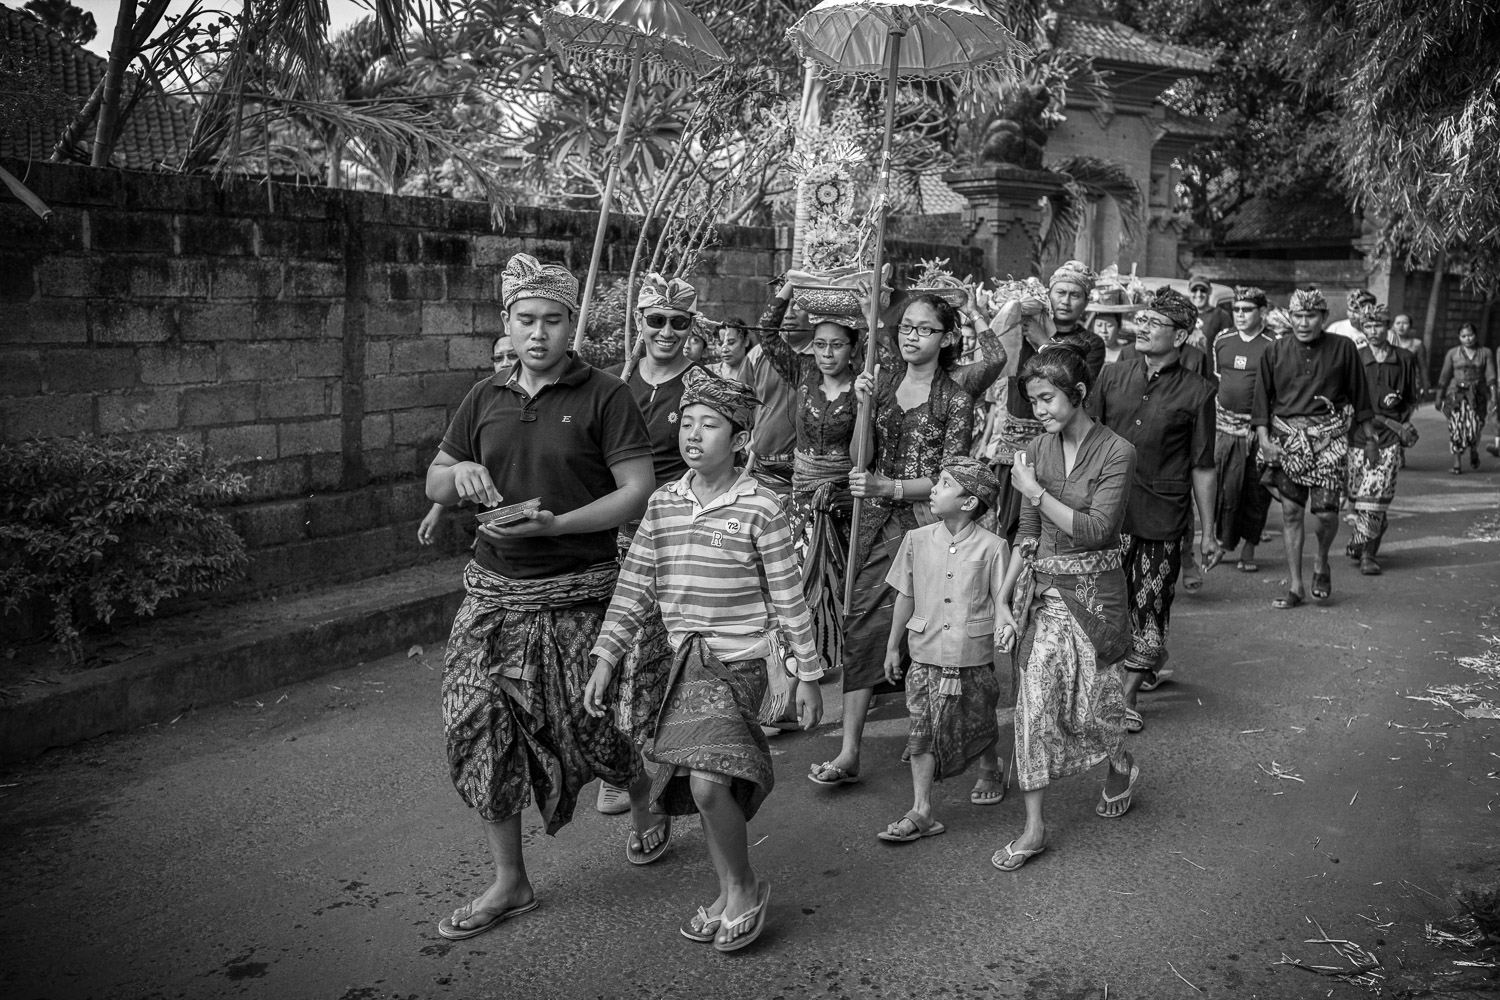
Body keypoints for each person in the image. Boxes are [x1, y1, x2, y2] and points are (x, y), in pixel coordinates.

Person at [428, 254, 659, 941]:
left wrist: (560, 523)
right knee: (478, 730)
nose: (538, 333)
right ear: (507, 323)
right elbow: (437, 482)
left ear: (571, 326)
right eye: (525, 320)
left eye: (552, 320)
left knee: (592, 731)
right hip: (493, 594)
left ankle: (643, 798)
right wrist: (460, 470)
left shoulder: (605, 395)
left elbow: (637, 490)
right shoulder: (484, 397)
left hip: (579, 596)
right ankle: (511, 880)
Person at [585, 368, 824, 953]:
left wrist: (808, 673)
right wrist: (605, 657)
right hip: (679, 664)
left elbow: (789, 596)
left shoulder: (762, 507)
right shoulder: (664, 503)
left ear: (739, 436)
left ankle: (743, 885)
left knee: (712, 785)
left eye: (709, 424)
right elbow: (635, 585)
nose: (693, 435)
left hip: (736, 663)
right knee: (699, 787)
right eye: (686, 423)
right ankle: (727, 890)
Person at [808, 294, 985, 797]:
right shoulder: (881, 382)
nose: (910, 336)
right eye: (905, 326)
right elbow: (860, 457)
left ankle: (942, 737)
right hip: (874, 523)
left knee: (931, 631)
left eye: (924, 329)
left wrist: (893, 488)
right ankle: (849, 749)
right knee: (862, 621)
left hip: (930, 522)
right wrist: (863, 406)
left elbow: (955, 477)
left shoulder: (956, 399)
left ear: (947, 338)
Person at [993, 346, 1139, 872]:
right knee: (1032, 703)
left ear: (1078, 394)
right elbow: (1028, 536)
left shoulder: (1117, 451)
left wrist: (1032, 490)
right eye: (1033, 400)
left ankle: (1119, 761)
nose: (1040, 410)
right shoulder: (1035, 448)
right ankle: (1033, 827)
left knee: (1094, 704)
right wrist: (1004, 599)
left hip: (1096, 598)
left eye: (1048, 398)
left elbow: (1099, 529)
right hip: (1043, 595)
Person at [596, 272, 705, 815]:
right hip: (619, 536)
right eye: (656, 320)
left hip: (682, 535)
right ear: (639, 322)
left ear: (691, 326)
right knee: (622, 649)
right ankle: (628, 760)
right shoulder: (614, 384)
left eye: (678, 322)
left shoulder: (701, 385)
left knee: (677, 648)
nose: (666, 331)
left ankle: (678, 754)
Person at [1093, 287, 1217, 730]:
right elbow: (1085, 440)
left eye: (1153, 323)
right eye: (1141, 319)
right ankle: (1103, 685)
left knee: (1149, 604)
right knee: (1104, 602)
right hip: (1106, 511)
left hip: (1162, 514)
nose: (1141, 327)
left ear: (1180, 336)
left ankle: (1127, 696)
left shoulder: (1200, 391)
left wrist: (1208, 531)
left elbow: (1202, 464)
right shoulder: (1112, 377)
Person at [878, 457, 1012, 842]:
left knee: (979, 720)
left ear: (969, 502)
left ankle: (989, 764)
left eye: (944, 483)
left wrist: (1007, 629)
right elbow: (905, 595)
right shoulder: (915, 541)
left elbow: (1001, 602)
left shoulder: (993, 547)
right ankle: (922, 809)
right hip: (924, 655)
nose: (934, 489)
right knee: (920, 730)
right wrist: (892, 647)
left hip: (972, 657)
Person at [756, 275, 861, 687]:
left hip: (844, 500)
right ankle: (797, 672)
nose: (827, 353)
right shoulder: (801, 371)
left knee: (842, 585)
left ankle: (848, 666)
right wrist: (790, 287)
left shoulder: (867, 386)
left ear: (853, 348)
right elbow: (767, 332)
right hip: (801, 496)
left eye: (837, 345)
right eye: (820, 344)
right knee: (796, 584)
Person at [1252, 287, 1377, 608]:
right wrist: (1264, 440)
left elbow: (1360, 395)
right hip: (1286, 441)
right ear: (1289, 317)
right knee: (1291, 513)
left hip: (1329, 441)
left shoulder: (1344, 348)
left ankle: (1321, 560)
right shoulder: (1275, 351)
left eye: (1310, 316)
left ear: (1323, 317)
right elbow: (1261, 401)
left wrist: (1370, 438)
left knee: (1325, 515)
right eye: (1297, 315)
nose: (1303, 322)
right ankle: (1295, 586)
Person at [418, 335, 519, 545]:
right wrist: (436, 510)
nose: (505, 363)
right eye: (498, 358)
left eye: (512, 356)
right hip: (495, 527)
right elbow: (459, 464)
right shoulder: (482, 400)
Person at [1344, 305, 1421, 575]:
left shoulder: (1405, 358)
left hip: (1388, 437)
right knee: (1359, 496)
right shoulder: (1355, 356)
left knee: (1375, 496)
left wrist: (1398, 423)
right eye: (1368, 325)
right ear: (1362, 328)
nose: (1373, 330)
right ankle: (1368, 535)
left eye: (1378, 325)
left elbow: (1411, 398)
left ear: (1387, 326)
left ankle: (1367, 555)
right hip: (1356, 436)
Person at [1212, 286, 1276, 573]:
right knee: (1223, 490)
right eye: (1236, 309)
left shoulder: (1274, 343)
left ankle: (1249, 549)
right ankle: (1221, 542)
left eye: (1247, 309)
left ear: (1262, 312)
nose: (1239, 315)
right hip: (1224, 429)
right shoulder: (1222, 340)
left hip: (1258, 431)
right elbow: (1217, 381)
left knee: (1255, 491)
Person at [1436, 322, 1497, 473]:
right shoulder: (1452, 353)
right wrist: (1439, 396)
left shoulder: (1485, 352)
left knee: (1475, 427)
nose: (1467, 339)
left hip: (1477, 396)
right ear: (1459, 337)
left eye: (1470, 335)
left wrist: (1494, 396)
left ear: (1476, 335)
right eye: (1463, 336)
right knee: (1456, 428)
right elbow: (1444, 376)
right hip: (1456, 395)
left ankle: (1473, 449)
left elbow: (1491, 376)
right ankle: (1457, 463)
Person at [1389, 314, 1429, 397]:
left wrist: (1425, 385)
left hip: (1410, 384)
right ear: (1393, 326)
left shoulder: (1417, 344)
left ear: (1410, 326)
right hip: (1392, 382)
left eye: (1405, 323)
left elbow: (1423, 366)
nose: (1401, 326)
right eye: (1398, 323)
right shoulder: (1388, 343)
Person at [1188, 274, 1225, 350]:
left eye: (1203, 290)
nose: (1199, 294)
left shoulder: (1221, 315)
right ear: (1189, 291)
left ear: (1210, 291)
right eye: (1194, 290)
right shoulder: (1182, 315)